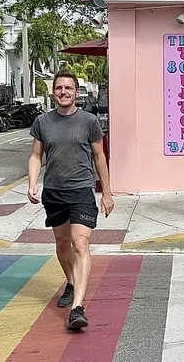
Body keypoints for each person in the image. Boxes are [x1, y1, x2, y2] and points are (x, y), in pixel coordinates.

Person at [27, 69, 113, 330]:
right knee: (62, 244)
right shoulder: (43, 122)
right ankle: (72, 281)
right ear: (53, 92)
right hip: (54, 191)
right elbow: (35, 156)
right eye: (59, 88)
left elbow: (99, 157)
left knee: (80, 244)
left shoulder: (88, 121)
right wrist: (32, 183)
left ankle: (77, 307)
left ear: (77, 92)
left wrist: (107, 193)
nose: (63, 92)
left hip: (82, 191)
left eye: (68, 88)